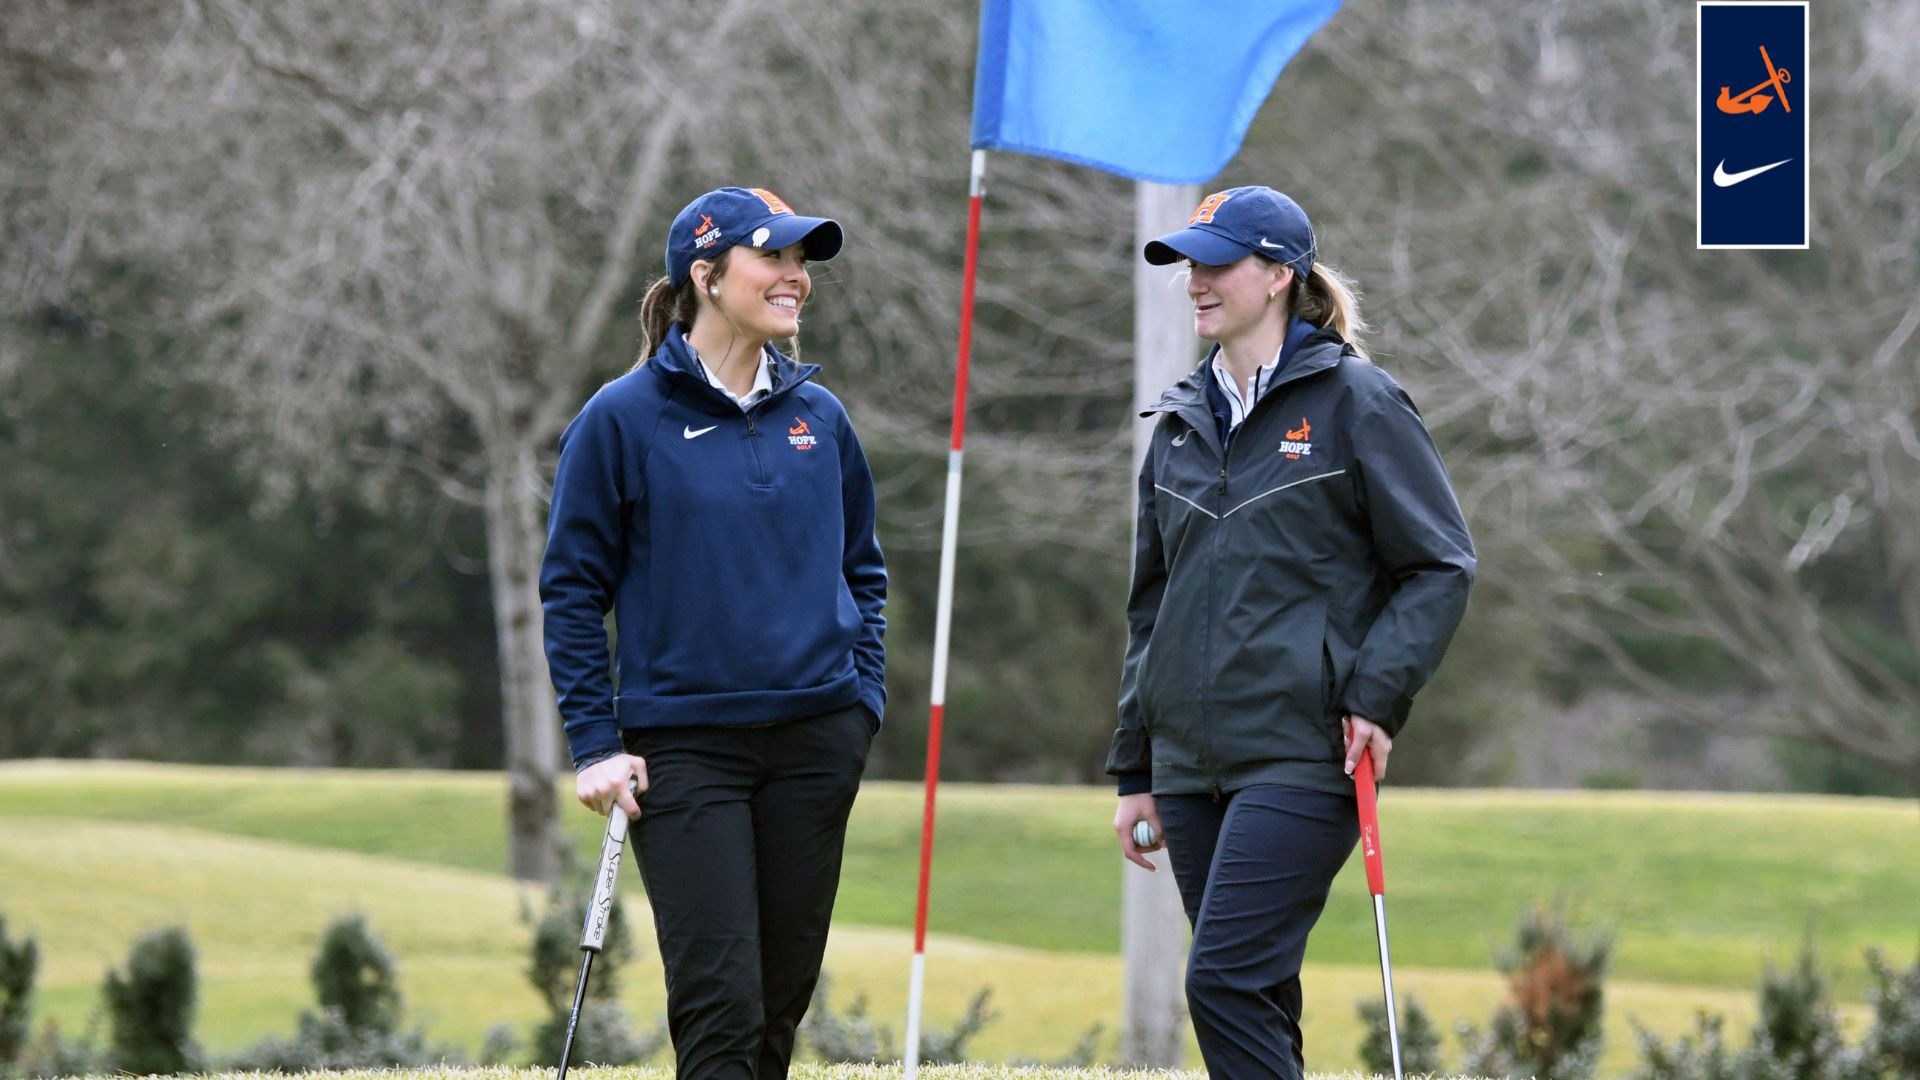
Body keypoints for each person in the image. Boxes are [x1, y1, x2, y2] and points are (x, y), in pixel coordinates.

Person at [1106, 185, 1475, 1079]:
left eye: (1217, 262)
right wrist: (1136, 767)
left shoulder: (1358, 403)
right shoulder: (1182, 423)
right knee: (1259, 989)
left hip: (1305, 753)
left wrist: (1376, 697)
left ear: (1277, 274)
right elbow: (1151, 605)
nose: (1196, 281)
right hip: (1190, 764)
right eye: (1190, 264)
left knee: (1223, 980)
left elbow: (1440, 565)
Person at [540, 185, 886, 1080]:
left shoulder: (822, 418)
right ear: (706, 275)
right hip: (684, 751)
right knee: (722, 1008)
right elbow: (572, 590)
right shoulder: (620, 420)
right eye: (774, 257)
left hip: (816, 741)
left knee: (777, 1006)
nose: (795, 278)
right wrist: (594, 745)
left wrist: (862, 706)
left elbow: (864, 573)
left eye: (801, 261)